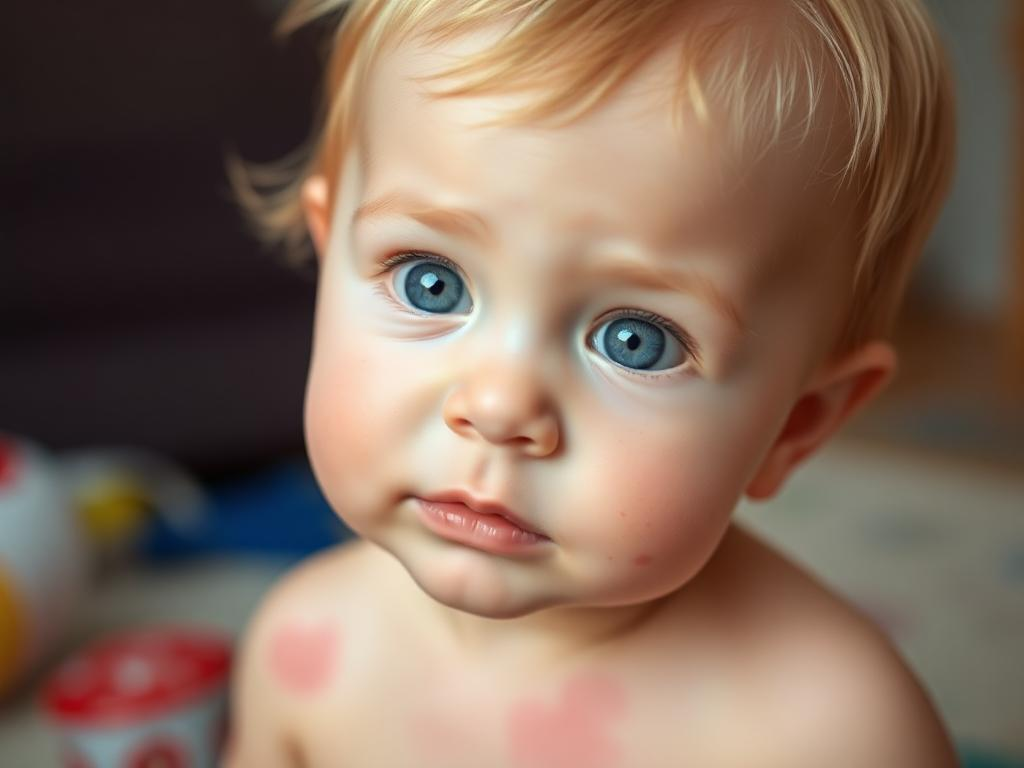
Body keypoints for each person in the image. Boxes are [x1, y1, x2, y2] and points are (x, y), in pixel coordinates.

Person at [226, 0, 958, 765]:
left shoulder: (833, 734)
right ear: (329, 260)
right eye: (430, 283)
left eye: (635, 342)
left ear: (797, 423)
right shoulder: (305, 649)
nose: (499, 406)